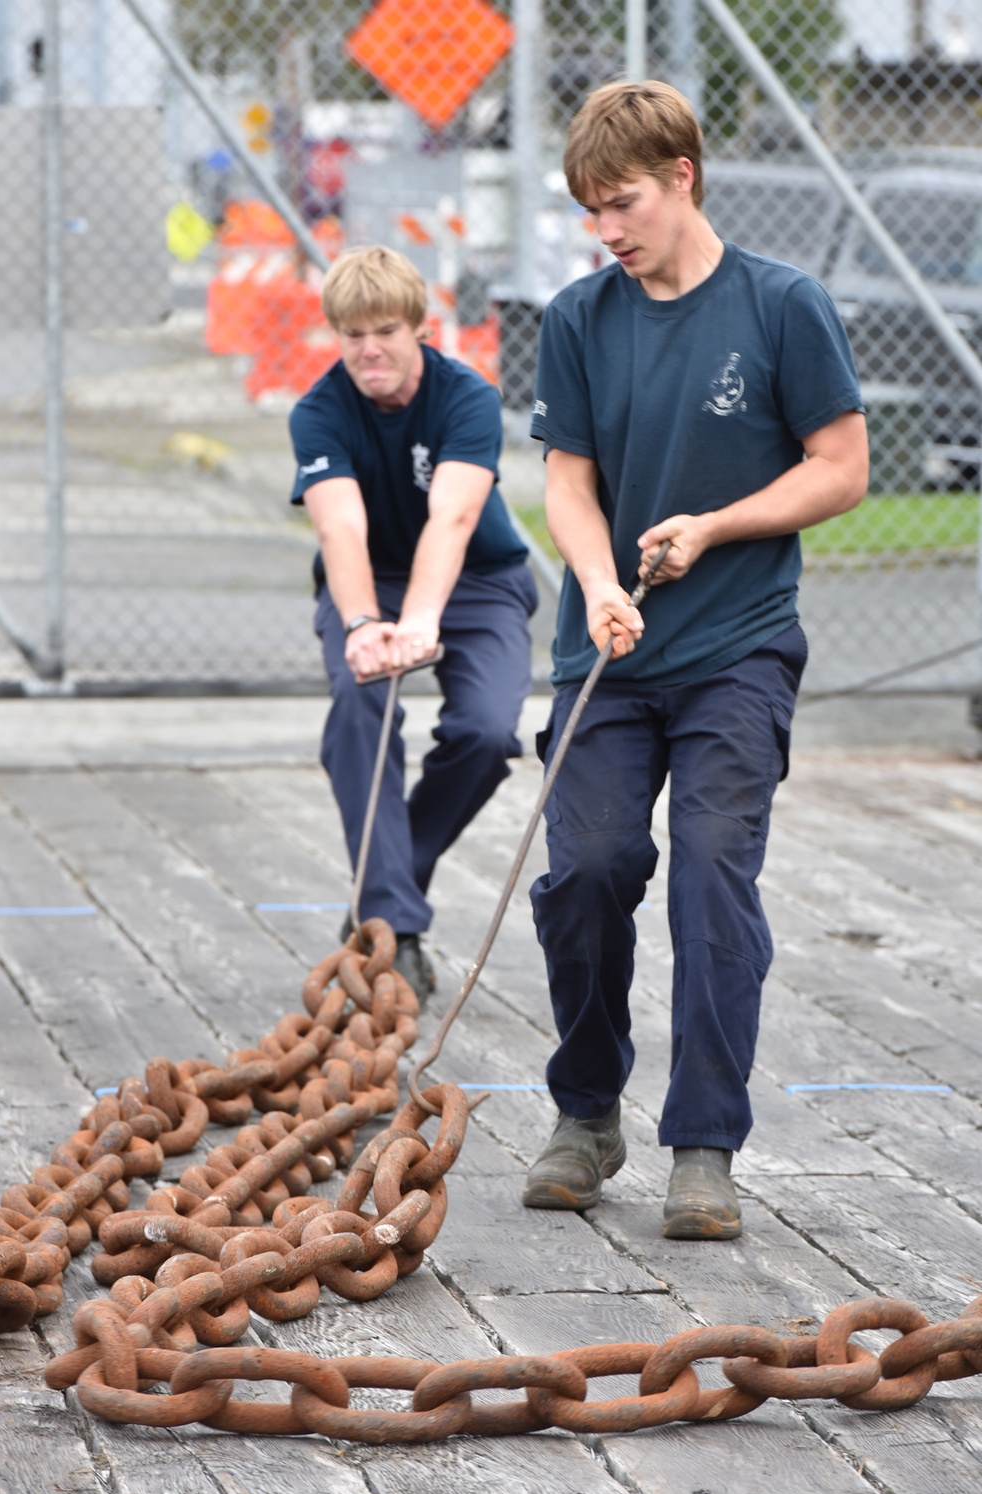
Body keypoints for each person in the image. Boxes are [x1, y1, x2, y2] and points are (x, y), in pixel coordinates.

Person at [523, 81, 868, 1238]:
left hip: (738, 647)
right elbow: (567, 479)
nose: (605, 230)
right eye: (588, 211)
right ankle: (585, 1113)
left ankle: (703, 1142)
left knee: (713, 873)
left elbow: (840, 466)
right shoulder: (578, 317)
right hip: (608, 652)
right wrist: (600, 579)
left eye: (619, 204)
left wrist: (715, 525)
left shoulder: (783, 305)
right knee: (588, 871)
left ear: (682, 176)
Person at [289, 246, 537, 1003]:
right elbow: (342, 530)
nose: (370, 349)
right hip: (371, 576)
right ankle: (394, 921)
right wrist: (366, 622)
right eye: (353, 333)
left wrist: (423, 617)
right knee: (360, 704)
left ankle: (386, 893)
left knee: (490, 731)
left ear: (419, 329)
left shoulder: (466, 397)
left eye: (387, 331)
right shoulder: (319, 411)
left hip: (477, 578)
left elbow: (455, 514)